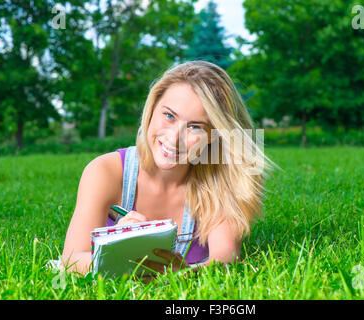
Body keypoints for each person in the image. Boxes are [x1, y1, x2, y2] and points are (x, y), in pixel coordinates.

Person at [61, 60, 277, 276]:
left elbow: (224, 261)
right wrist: (120, 253)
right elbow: (70, 260)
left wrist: (179, 276)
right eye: (169, 116)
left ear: (214, 136)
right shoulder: (106, 171)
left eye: (195, 127)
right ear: (152, 108)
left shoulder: (219, 179)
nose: (174, 138)